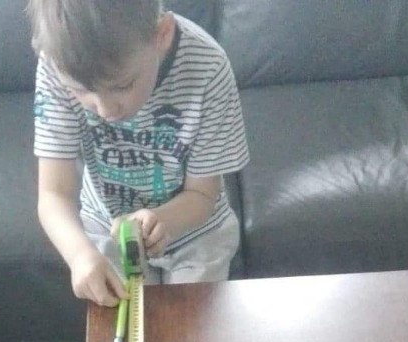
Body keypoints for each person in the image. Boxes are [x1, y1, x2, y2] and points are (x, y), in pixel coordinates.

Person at [28, 0, 249, 305]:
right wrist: (79, 255)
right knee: (119, 325)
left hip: (196, 234)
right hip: (106, 227)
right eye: (80, 91)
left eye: (122, 86)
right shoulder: (57, 64)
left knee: (188, 327)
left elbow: (202, 196)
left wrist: (163, 219)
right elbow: (54, 195)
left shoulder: (208, 66)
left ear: (162, 35)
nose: (105, 110)